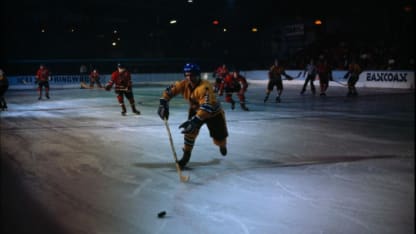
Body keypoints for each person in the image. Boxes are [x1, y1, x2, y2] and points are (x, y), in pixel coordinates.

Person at [157, 63, 229, 169]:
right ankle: (186, 156)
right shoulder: (183, 84)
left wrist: (194, 121)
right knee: (189, 132)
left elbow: (207, 107)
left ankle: (222, 145)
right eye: (187, 75)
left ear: (198, 75)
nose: (189, 78)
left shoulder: (205, 87)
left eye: (192, 75)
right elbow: (169, 91)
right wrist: (163, 103)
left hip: (213, 113)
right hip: (196, 110)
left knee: (219, 135)